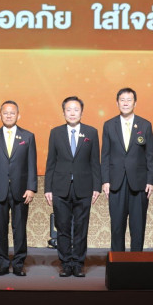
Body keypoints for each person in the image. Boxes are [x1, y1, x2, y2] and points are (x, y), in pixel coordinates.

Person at [44, 96, 101, 277]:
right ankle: (65, 263)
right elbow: (51, 162)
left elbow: (95, 162)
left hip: (84, 187)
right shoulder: (56, 133)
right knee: (62, 227)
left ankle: (78, 263)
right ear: (63, 113)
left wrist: (97, 187)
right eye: (68, 110)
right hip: (60, 187)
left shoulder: (91, 132)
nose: (72, 113)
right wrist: (48, 188)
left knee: (81, 228)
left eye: (76, 109)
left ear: (81, 112)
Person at [0, 100, 37, 276]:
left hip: (21, 190)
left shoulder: (28, 137)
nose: (8, 116)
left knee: (19, 229)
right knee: (0, 229)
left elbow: (32, 165)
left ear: (18, 115)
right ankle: (2, 264)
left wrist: (31, 188)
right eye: (5, 113)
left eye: (12, 113)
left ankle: (19, 264)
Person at [101, 88, 153, 252]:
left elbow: (150, 155)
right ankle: (117, 262)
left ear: (135, 103)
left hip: (139, 183)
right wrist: (105, 180)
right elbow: (105, 155)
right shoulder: (109, 125)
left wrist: (151, 181)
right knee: (117, 226)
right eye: (122, 100)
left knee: (138, 226)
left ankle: (136, 261)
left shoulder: (145, 125)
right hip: (115, 182)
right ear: (117, 103)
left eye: (129, 100)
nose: (125, 103)